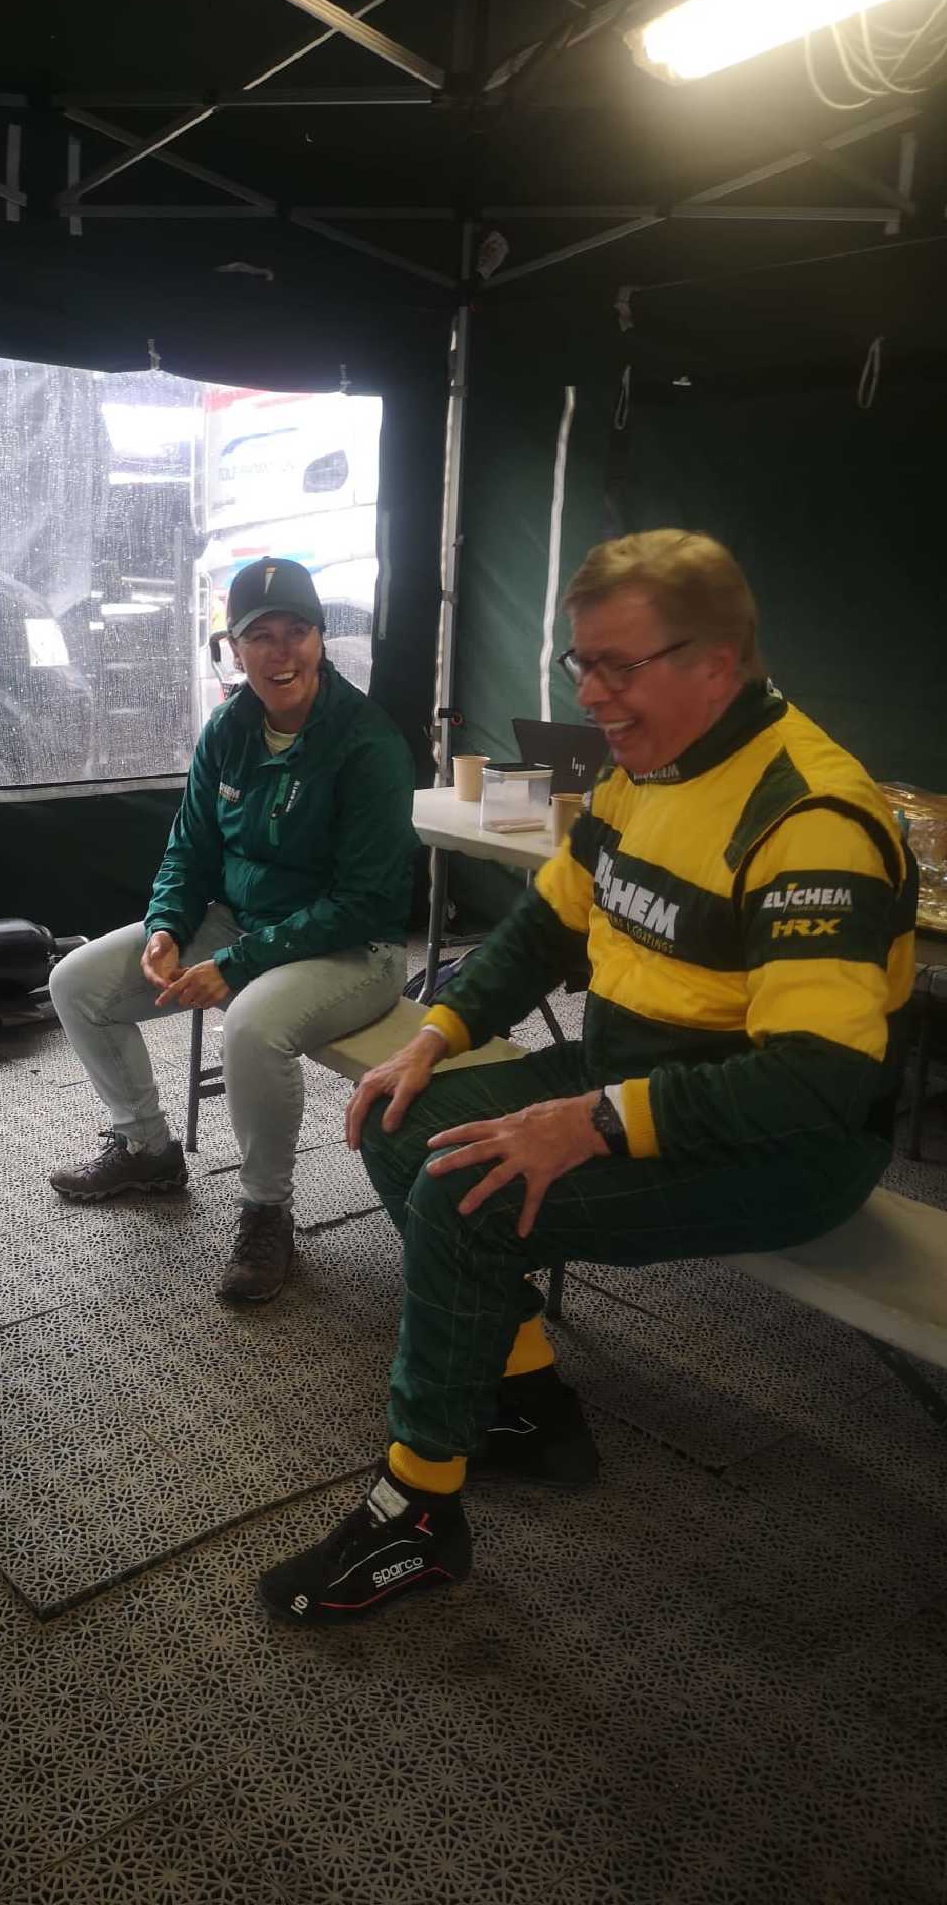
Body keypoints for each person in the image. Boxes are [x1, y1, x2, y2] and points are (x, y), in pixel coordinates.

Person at [259, 530, 919, 1624]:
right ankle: (525, 1400)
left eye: (621, 666)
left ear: (718, 662)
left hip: (782, 1141)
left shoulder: (809, 820)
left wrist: (596, 1122)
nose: (594, 695)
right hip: (633, 1073)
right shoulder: (644, 765)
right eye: (583, 664)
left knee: (462, 1199)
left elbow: (817, 1084)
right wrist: (437, 1035)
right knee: (398, 1119)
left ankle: (418, 1515)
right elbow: (546, 924)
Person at [47, 556, 418, 1303]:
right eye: (261, 636)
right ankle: (148, 1148)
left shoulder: (367, 742)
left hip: (355, 948)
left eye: (298, 631)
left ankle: (265, 1211)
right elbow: (189, 851)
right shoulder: (229, 728)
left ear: (321, 638)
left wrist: (239, 962)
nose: (282, 653)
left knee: (250, 1025)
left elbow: (364, 901)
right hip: (244, 923)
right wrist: (165, 926)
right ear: (233, 648)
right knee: (76, 981)